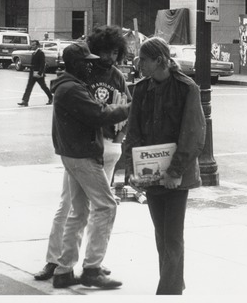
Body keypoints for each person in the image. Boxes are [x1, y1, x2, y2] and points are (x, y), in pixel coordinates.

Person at [35, 41, 130, 290]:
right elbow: (99, 114)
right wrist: (130, 108)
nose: (91, 66)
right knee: (107, 206)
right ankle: (92, 269)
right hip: (82, 156)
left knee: (79, 212)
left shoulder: (70, 86)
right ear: (77, 65)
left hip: (74, 154)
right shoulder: (72, 89)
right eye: (87, 63)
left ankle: (65, 270)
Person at [123, 37, 206, 295]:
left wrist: (175, 171)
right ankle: (173, 280)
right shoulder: (141, 89)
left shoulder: (186, 88)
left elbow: (193, 134)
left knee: (172, 236)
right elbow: (133, 131)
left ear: (159, 60)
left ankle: (169, 291)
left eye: (143, 59)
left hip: (176, 176)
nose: (139, 64)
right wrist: (131, 170)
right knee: (161, 235)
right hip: (150, 174)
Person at [85, 26, 134, 195]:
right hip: (87, 144)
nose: (110, 57)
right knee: (86, 199)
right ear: (96, 50)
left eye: (114, 53)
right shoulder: (85, 72)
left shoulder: (117, 76)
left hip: (109, 141)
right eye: (106, 52)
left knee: (102, 196)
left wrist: (119, 138)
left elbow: (130, 109)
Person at [19, 40, 53, 106]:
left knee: (43, 86)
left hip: (38, 73)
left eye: (34, 45)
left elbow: (42, 64)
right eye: (32, 45)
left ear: (37, 45)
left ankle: (51, 97)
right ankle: (25, 101)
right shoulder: (34, 53)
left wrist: (40, 73)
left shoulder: (40, 53)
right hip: (32, 72)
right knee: (29, 87)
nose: (32, 46)